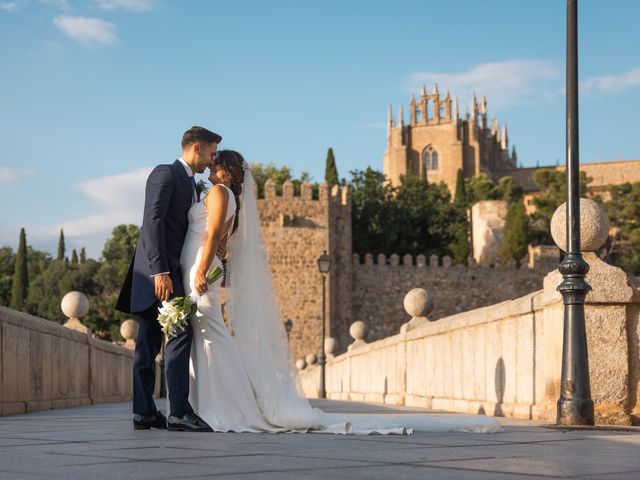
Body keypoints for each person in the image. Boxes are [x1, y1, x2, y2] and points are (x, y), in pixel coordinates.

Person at [182, 149, 502, 434]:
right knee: (214, 339)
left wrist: (199, 268)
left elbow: (212, 239)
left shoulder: (221, 193)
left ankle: (224, 407)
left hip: (203, 273)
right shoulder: (231, 198)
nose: (211, 165)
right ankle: (220, 405)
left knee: (216, 340)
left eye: (216, 162)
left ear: (226, 170)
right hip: (208, 273)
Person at [116, 126, 221, 432]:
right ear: (197, 149)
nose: (212, 162)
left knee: (148, 344)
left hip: (169, 273)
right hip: (158, 274)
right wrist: (159, 272)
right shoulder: (165, 174)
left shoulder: (190, 183)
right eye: (211, 154)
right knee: (179, 335)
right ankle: (178, 412)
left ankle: (144, 412)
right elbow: (152, 223)